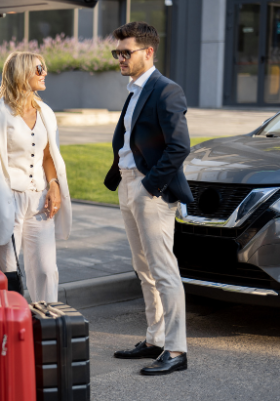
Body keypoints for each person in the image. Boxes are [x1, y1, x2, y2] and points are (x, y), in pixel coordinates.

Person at [104, 22, 192, 376]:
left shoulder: (166, 90)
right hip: (129, 186)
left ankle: (176, 348)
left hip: (149, 190)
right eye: (118, 53)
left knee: (163, 269)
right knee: (144, 269)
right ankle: (155, 339)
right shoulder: (135, 91)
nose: (120, 58)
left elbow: (179, 146)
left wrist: (149, 186)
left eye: (127, 52)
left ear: (148, 52)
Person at [0, 52, 72, 302]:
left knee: (46, 270)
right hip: (7, 201)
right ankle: (8, 328)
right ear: (22, 73)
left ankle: (46, 324)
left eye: (44, 68)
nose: (44, 72)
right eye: (39, 69)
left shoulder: (46, 112)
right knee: (7, 273)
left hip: (39, 200)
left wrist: (54, 184)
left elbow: (48, 155)